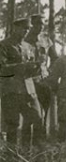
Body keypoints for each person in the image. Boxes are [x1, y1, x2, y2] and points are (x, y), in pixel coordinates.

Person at [0, 18, 45, 148]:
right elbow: (2, 68)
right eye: (23, 28)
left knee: (37, 118)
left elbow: (32, 72)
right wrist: (24, 66)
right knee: (12, 124)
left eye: (27, 29)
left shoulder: (28, 47)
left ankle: (33, 153)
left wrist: (37, 65)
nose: (25, 31)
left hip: (29, 91)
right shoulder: (4, 45)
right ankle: (12, 156)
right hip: (11, 91)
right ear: (15, 28)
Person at [25, 14, 55, 133]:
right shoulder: (25, 39)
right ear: (32, 24)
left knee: (44, 114)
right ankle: (26, 146)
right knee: (30, 114)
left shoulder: (46, 40)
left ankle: (41, 144)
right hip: (29, 81)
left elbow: (55, 58)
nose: (41, 26)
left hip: (44, 80)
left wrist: (49, 71)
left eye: (43, 24)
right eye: (38, 23)